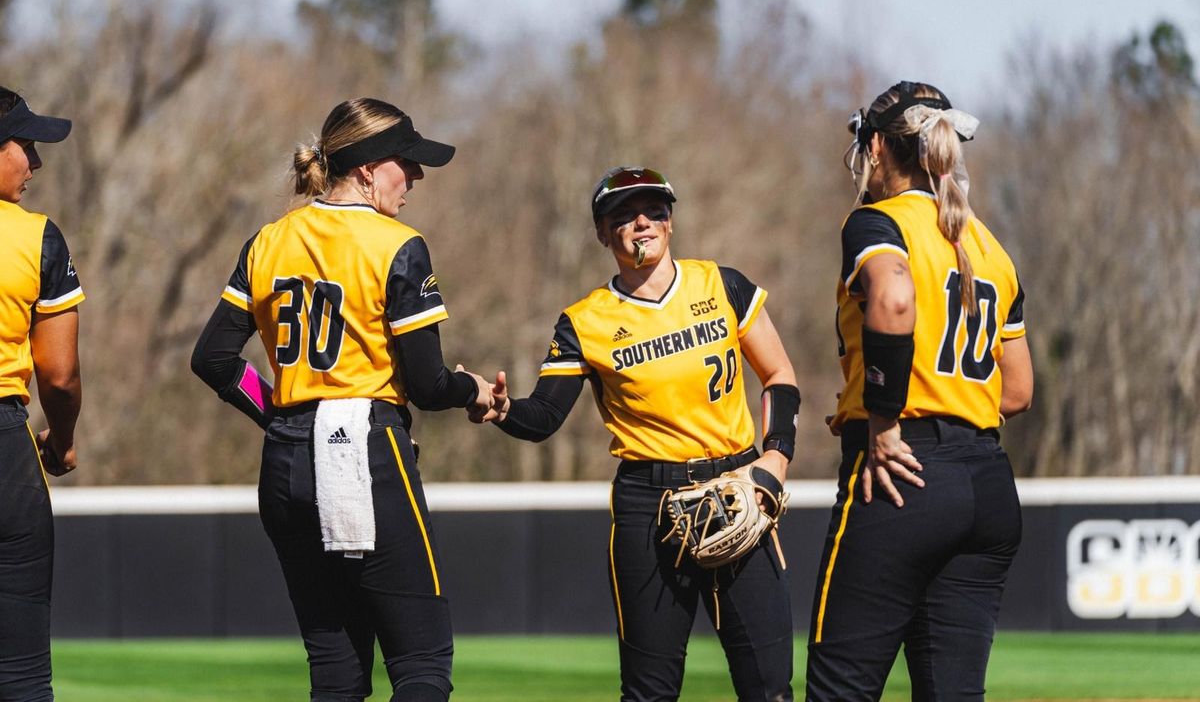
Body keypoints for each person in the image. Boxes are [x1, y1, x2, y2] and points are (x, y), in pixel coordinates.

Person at [191, 98, 495, 702]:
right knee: (422, 662)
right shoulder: (397, 245)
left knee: (335, 667)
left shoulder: (267, 241)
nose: (416, 177)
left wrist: (276, 410)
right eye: (405, 163)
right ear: (365, 169)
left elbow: (214, 361)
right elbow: (430, 385)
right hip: (364, 446)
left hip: (285, 459)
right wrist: (474, 390)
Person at [476, 166, 802, 702]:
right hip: (649, 504)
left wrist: (777, 460)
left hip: (739, 482)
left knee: (769, 687)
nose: (641, 223)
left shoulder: (721, 284)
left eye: (654, 210)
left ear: (671, 221)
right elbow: (544, 417)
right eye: (622, 215)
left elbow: (779, 376)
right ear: (604, 233)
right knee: (649, 692)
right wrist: (501, 406)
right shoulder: (584, 321)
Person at [806, 81, 1034, 701]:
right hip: (986, 482)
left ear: (877, 146)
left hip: (901, 473)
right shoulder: (989, 247)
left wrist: (882, 419)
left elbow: (894, 297)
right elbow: (1016, 391)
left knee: (839, 692)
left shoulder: (877, 221)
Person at [0, 87, 83, 701]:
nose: (36, 162)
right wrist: (62, 441)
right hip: (5, 453)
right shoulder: (34, 237)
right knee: (21, 671)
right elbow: (57, 375)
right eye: (24, 145)